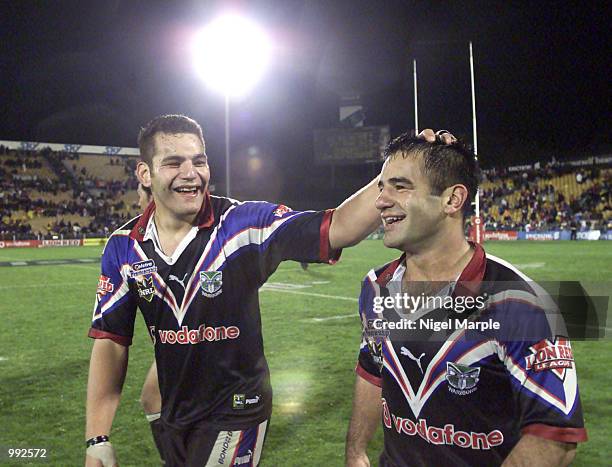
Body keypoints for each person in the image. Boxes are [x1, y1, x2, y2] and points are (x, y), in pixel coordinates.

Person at [85, 114, 385, 467]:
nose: (190, 172)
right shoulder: (123, 248)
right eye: (173, 162)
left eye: (199, 161)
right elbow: (110, 341)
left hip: (239, 409)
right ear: (145, 174)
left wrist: (393, 174)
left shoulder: (241, 225)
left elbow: (337, 226)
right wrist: (97, 438)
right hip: (177, 412)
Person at [345, 133, 587, 467]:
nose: (381, 201)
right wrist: (355, 451)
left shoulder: (519, 302)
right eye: (382, 188)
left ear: (452, 200)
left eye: (400, 187)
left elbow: (554, 438)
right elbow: (372, 370)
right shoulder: (376, 287)